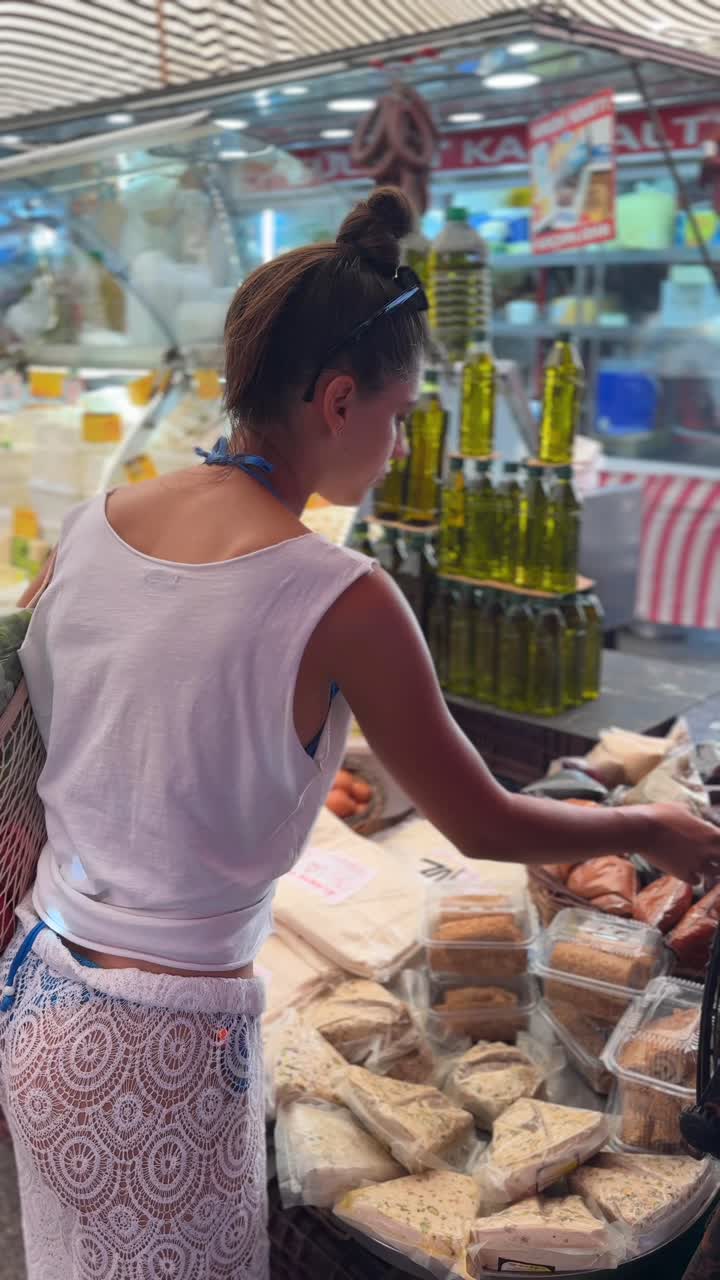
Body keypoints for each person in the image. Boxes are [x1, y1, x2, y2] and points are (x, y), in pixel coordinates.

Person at [1, 186, 719, 1280]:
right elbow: (478, 818)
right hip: (157, 1038)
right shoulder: (338, 593)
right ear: (338, 400)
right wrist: (652, 822)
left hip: (39, 986)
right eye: (397, 418)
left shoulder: (99, 524)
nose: (397, 449)